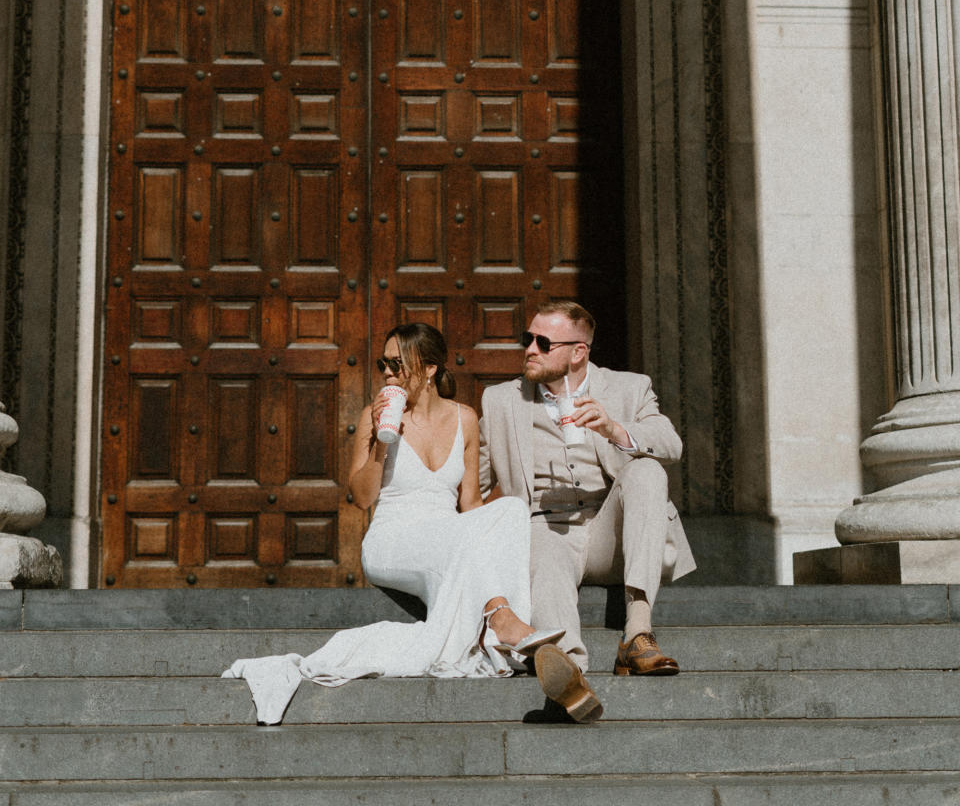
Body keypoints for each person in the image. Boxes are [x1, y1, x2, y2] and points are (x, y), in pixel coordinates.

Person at [223, 322, 563, 723]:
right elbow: (362, 497)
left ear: (431, 369)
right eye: (384, 363)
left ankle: (500, 626)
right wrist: (384, 443)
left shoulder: (465, 418)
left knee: (508, 511)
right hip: (392, 540)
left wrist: (487, 537)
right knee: (463, 536)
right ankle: (504, 623)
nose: (387, 372)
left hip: (446, 536)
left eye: (398, 365)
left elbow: (469, 502)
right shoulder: (374, 414)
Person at [478, 300, 695, 722]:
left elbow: (672, 444)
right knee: (547, 564)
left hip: (610, 531)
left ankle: (637, 634)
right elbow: (478, 484)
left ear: (578, 351)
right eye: (528, 340)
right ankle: (568, 675)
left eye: (543, 342)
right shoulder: (501, 401)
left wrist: (614, 428)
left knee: (647, 471)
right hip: (546, 524)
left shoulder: (629, 388)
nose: (530, 350)